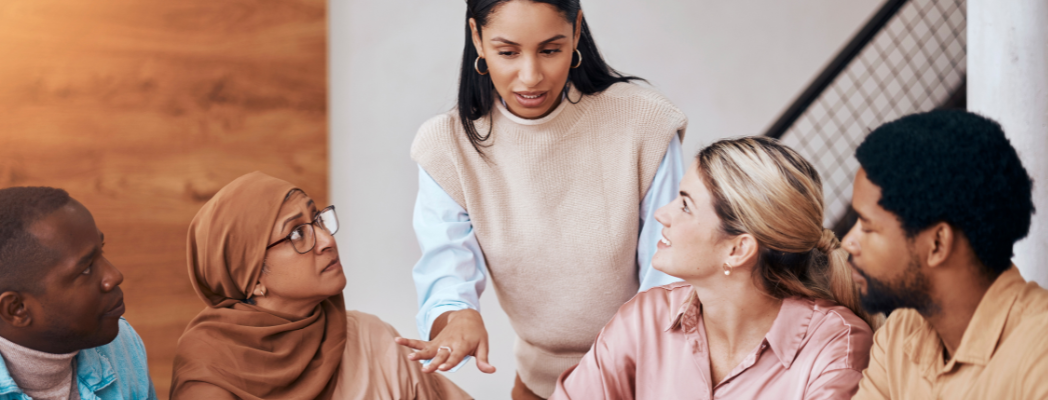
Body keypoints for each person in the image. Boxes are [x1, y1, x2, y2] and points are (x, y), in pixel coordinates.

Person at [400, 0, 688, 397]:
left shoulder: (643, 123)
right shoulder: (447, 147)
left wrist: (610, 375)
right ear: (476, 38)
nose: (530, 76)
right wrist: (457, 317)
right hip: (540, 387)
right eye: (508, 52)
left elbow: (670, 278)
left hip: (644, 381)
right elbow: (447, 269)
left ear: (576, 32)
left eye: (550, 50)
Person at [552, 137, 875, 399]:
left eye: (685, 205)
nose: (662, 214)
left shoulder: (836, 348)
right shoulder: (644, 319)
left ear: (738, 249)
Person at [170, 172, 471, 400]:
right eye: (297, 234)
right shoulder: (211, 371)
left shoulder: (372, 337)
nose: (327, 241)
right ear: (252, 278)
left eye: (318, 220)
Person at [846, 110, 1048, 399]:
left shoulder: (1040, 353)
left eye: (867, 227)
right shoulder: (899, 335)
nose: (848, 242)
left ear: (938, 244)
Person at [0, 187, 156, 400]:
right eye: (84, 269)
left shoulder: (119, 341)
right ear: (17, 309)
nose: (114, 276)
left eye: (101, 251)